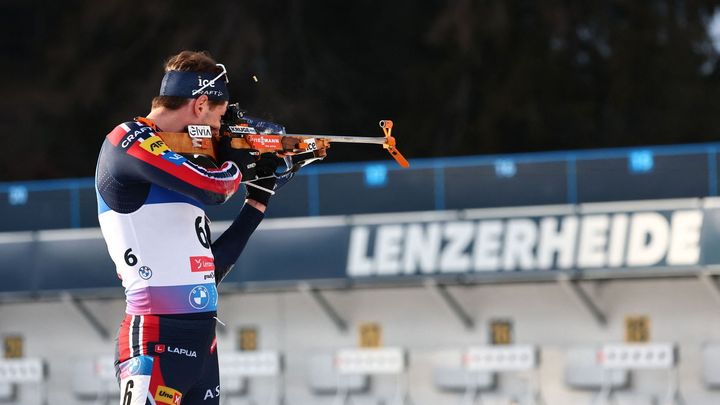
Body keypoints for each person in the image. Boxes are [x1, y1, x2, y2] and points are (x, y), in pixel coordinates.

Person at [95, 50, 286, 405]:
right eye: (217, 120)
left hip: (201, 346)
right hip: (154, 339)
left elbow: (205, 271)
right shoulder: (128, 139)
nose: (217, 132)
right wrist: (238, 160)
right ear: (199, 105)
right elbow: (215, 188)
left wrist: (258, 199)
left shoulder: (183, 167)